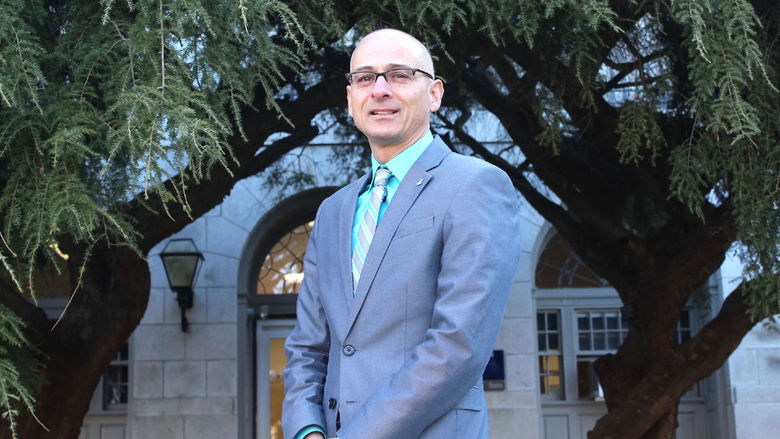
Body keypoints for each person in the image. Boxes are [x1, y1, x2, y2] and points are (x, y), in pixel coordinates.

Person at [282, 28, 522, 439]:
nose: (379, 89)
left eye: (399, 74)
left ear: (434, 94)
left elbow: (457, 345)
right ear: (350, 100)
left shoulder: (476, 185)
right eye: (364, 78)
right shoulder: (333, 211)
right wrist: (307, 430)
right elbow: (308, 347)